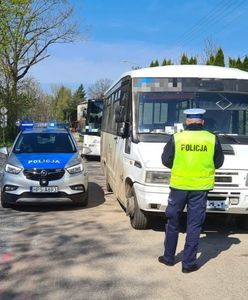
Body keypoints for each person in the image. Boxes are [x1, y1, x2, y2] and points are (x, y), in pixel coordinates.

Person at [159, 108, 224, 273]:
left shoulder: (177, 138)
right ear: (202, 122)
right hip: (200, 188)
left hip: (179, 186)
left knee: (173, 222)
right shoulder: (212, 139)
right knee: (194, 225)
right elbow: (218, 162)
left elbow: (166, 160)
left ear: (187, 122)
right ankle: (188, 265)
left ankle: (168, 258)